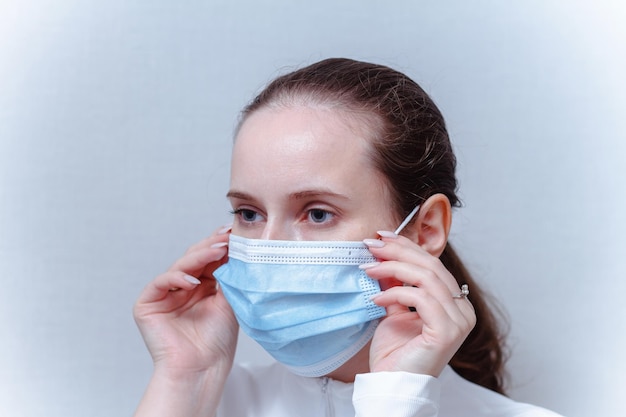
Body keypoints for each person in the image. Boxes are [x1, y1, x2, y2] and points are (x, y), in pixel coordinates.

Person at [133, 58, 563, 417]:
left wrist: (396, 400)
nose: (268, 248)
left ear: (425, 229)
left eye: (317, 213)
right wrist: (185, 379)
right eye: (249, 213)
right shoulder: (197, 400)